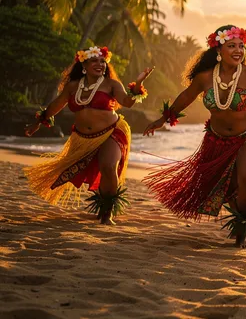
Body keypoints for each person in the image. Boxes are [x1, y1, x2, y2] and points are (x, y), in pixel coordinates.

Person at [142, 25, 246, 248]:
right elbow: (185, 97)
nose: (238, 50)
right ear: (218, 49)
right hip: (217, 139)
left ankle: (243, 234)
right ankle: (239, 220)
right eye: (231, 46)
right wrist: (163, 119)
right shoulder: (205, 78)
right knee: (229, 188)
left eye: (241, 46)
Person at [24, 46, 152, 224]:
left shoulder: (112, 85)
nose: (100, 64)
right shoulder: (73, 86)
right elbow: (56, 105)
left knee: (108, 167)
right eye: (94, 61)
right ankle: (102, 203)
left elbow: (127, 102)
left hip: (111, 132)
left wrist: (138, 83)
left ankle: (108, 214)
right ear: (84, 64)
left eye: (103, 61)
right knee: (92, 172)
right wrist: (38, 122)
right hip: (83, 138)